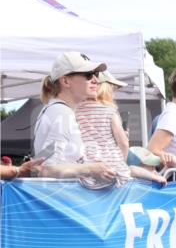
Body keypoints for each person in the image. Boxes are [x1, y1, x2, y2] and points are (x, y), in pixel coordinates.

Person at [33, 52, 117, 181]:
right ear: (65, 81)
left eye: (96, 74)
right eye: (88, 75)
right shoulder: (61, 112)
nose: (95, 80)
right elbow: (46, 169)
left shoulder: (56, 110)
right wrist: (92, 169)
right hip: (62, 197)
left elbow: (42, 164)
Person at [76, 71, 165, 188]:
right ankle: (157, 177)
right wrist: (121, 161)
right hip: (110, 174)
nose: (113, 93)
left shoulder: (76, 110)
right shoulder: (109, 110)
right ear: (105, 88)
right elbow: (123, 143)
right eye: (112, 89)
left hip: (85, 174)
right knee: (132, 169)